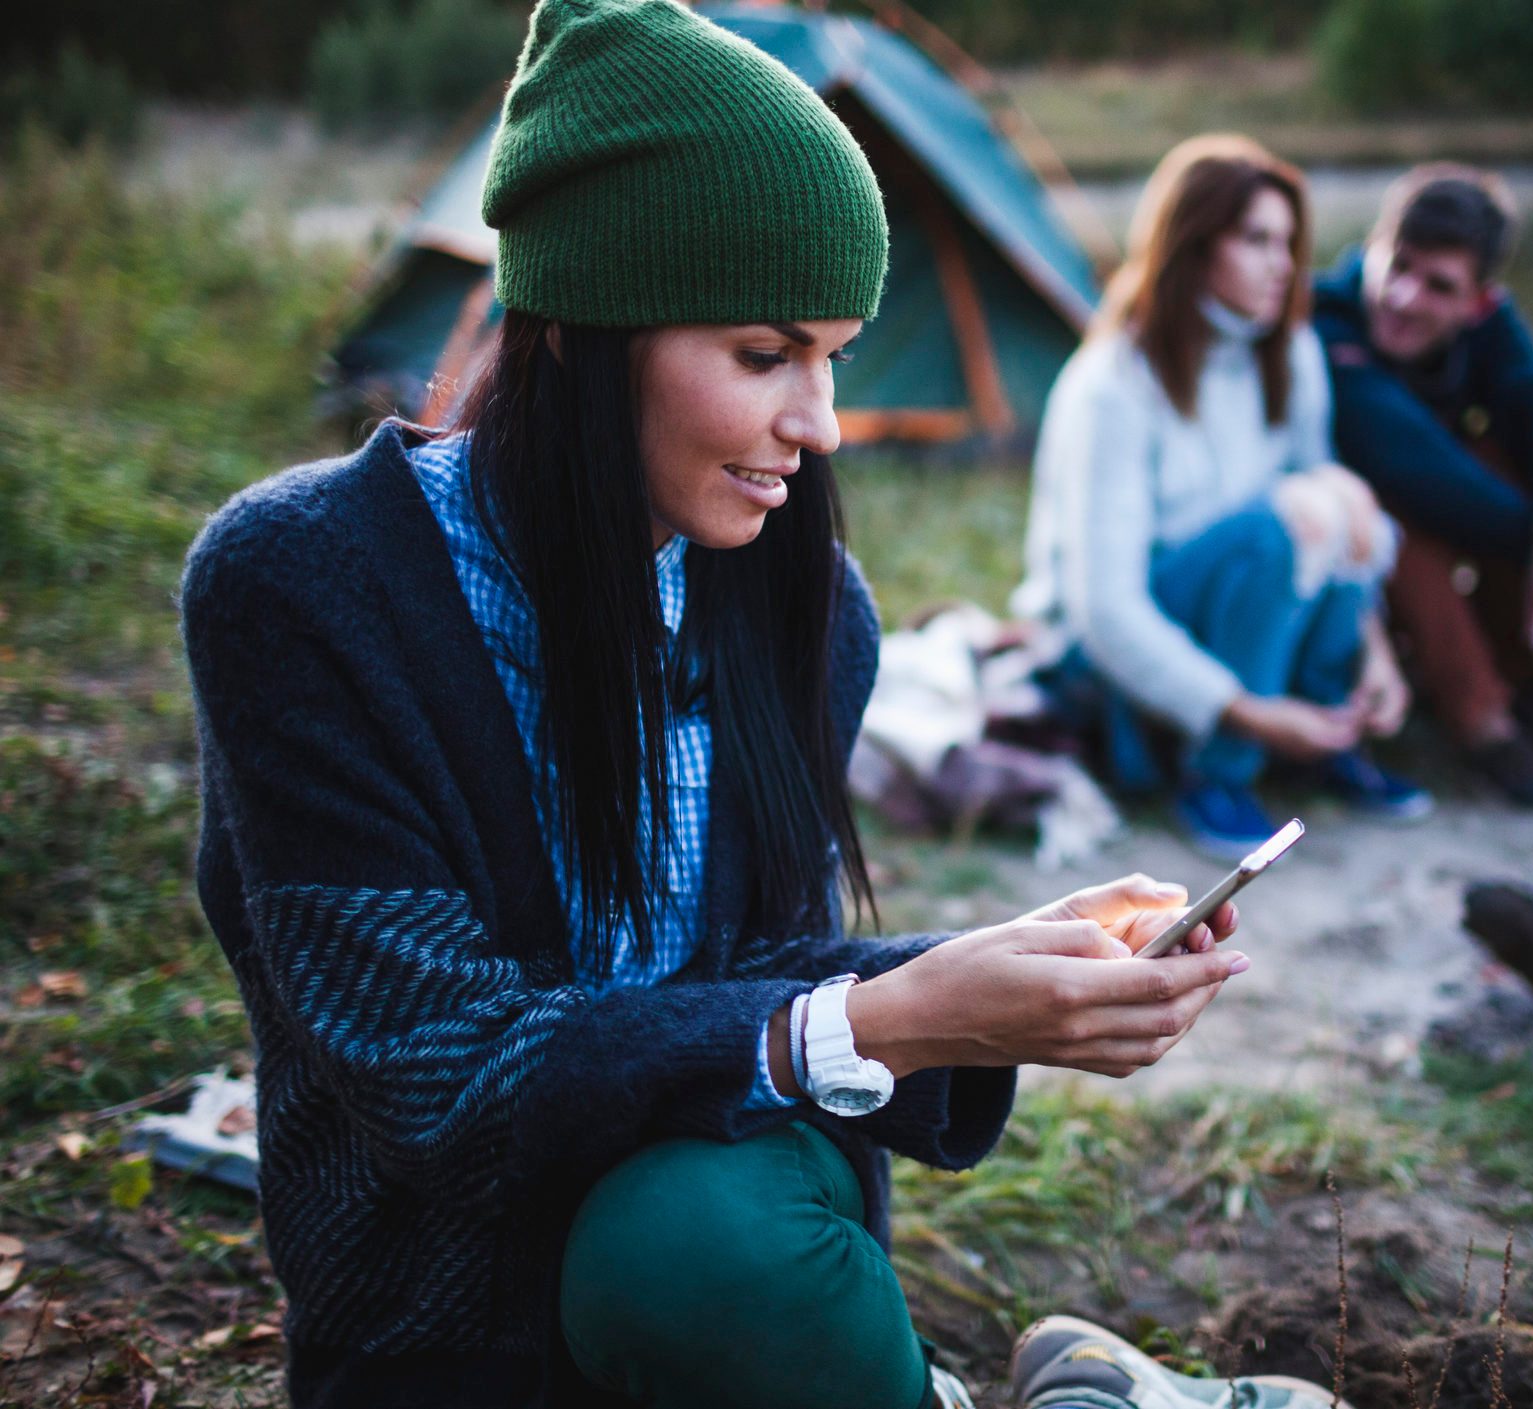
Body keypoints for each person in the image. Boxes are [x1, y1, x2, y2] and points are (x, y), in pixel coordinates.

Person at [178, 6, 1311, 1407]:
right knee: (681, 1257)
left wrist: (993, 976)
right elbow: (434, 1071)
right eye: (766, 355)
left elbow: (742, 957)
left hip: (703, 1220)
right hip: (435, 1320)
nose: (820, 424)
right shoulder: (304, 586)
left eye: (832, 357)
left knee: (695, 1246)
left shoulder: (802, 607)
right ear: (589, 334)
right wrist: (884, 1019)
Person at [1014, 134, 1425, 862]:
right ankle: (1219, 769)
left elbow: (1334, 512)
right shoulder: (1113, 384)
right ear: (1195, 245)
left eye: (1289, 243)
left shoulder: (1289, 353)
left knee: (1340, 499)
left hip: (1229, 620)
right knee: (1284, 522)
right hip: (1099, 663)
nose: (1282, 264)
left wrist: (1376, 653)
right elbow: (1103, 611)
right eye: (1257, 240)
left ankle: (1330, 728)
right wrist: (1247, 714)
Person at [1313, 164, 1533, 807]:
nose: (1404, 297)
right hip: (1352, 540)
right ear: (1372, 248)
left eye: (1438, 286)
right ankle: (1480, 720)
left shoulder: (1491, 324)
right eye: (1396, 266)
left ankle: (1514, 688)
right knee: (1402, 512)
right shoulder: (1327, 320)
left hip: (1440, 514)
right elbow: (1409, 462)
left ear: (1479, 301)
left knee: (1510, 461)